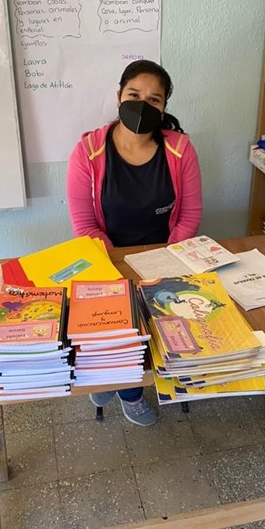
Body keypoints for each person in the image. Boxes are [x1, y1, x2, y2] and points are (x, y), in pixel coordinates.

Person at [66, 59, 203, 426]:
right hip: (104, 257)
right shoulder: (88, 152)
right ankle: (125, 387)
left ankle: (124, 383)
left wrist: (164, 261)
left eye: (154, 100)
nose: (143, 105)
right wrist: (118, 268)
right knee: (116, 327)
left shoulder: (180, 150)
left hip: (165, 257)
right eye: (134, 95)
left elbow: (190, 214)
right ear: (118, 96)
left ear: (164, 108)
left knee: (161, 324)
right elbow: (84, 223)